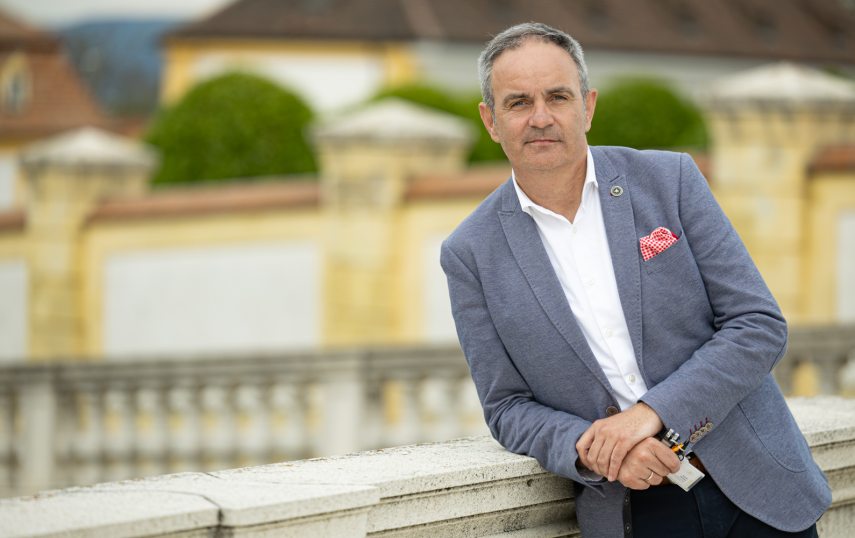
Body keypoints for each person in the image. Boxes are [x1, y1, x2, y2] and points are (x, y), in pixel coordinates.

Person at [440, 22, 830, 538]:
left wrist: (650, 415)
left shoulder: (671, 181)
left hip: (759, 489)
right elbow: (507, 408)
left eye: (558, 96)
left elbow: (757, 324)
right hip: (632, 510)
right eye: (518, 103)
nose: (541, 117)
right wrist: (595, 449)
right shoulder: (469, 253)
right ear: (490, 120)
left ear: (588, 106)